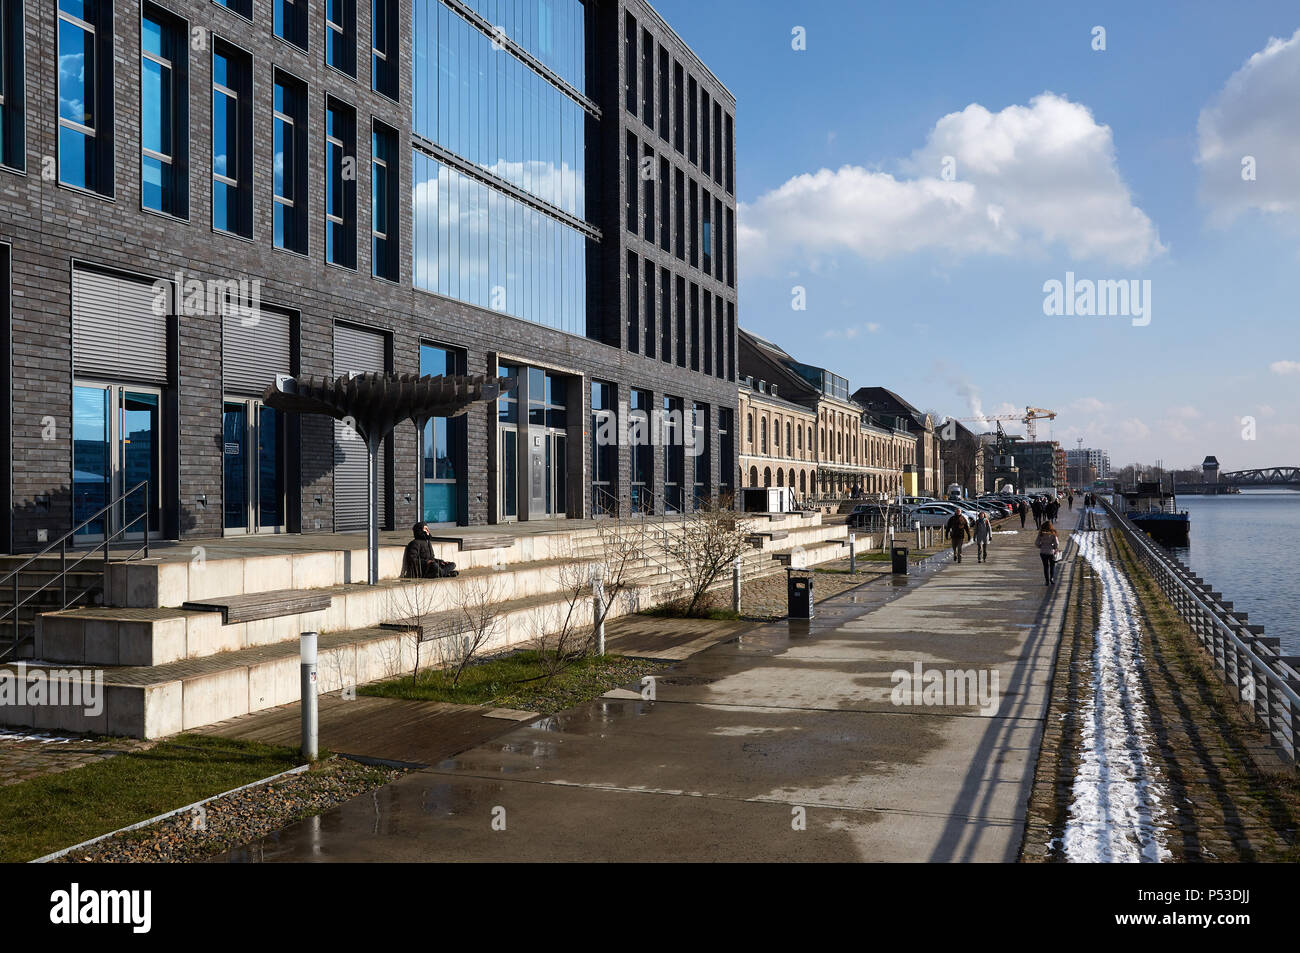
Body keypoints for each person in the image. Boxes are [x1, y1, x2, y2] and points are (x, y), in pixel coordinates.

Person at [1035, 520, 1060, 585]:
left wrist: (1041, 546)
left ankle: (1047, 581)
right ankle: (1051, 578)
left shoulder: (1041, 533)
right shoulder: (1053, 533)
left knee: (1045, 566)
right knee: (1052, 565)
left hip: (1043, 552)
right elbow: (1056, 543)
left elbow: (1036, 543)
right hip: (1051, 552)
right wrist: (1054, 548)